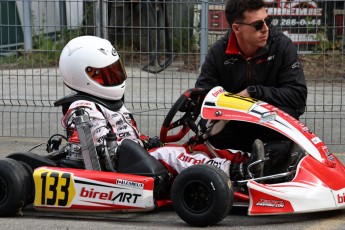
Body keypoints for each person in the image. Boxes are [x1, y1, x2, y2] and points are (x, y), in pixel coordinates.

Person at [58, 35, 264, 182]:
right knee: (171, 156)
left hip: (135, 158)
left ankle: (255, 161)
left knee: (196, 148)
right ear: (80, 75)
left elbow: (129, 136)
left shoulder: (110, 103)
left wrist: (147, 141)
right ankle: (237, 171)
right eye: (105, 74)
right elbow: (103, 149)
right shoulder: (82, 108)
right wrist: (140, 147)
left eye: (115, 71)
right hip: (120, 167)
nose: (115, 79)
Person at [195, 0, 308, 174]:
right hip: (234, 124)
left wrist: (253, 92)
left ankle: (272, 164)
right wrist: (229, 111)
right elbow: (203, 97)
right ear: (236, 29)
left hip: (268, 122)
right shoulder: (218, 52)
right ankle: (237, 168)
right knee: (207, 123)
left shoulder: (282, 45)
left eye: (267, 21)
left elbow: (298, 95)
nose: (265, 29)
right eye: (257, 25)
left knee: (288, 112)